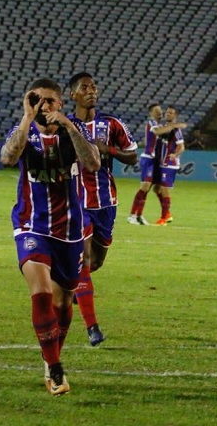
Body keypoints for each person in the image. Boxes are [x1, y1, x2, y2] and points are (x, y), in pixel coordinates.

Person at [0, 78, 100, 396]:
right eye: (38, 100)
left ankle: (49, 359)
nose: (45, 105)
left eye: (51, 101)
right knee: (41, 291)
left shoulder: (74, 134)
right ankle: (56, 369)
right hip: (31, 225)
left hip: (69, 231)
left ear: (60, 104)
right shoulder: (25, 132)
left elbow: (93, 163)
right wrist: (27, 117)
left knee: (62, 302)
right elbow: (6, 157)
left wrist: (69, 124)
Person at [67, 72, 138, 347]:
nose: (91, 91)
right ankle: (92, 327)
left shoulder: (112, 124)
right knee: (83, 260)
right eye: (84, 87)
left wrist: (108, 150)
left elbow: (132, 156)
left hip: (106, 201)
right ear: (72, 95)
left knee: (95, 262)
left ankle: (73, 284)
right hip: (77, 200)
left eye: (94, 87)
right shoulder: (66, 125)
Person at [127, 104, 186, 225]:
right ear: (151, 113)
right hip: (149, 158)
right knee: (146, 186)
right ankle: (133, 215)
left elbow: (176, 142)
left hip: (157, 161)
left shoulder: (164, 126)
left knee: (154, 188)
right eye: (157, 111)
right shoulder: (152, 123)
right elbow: (157, 132)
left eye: (161, 111)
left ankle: (141, 215)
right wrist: (175, 125)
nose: (160, 113)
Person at [152, 106, 185, 226]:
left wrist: (174, 155)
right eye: (167, 112)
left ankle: (164, 218)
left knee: (164, 189)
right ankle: (167, 214)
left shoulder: (176, 130)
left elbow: (182, 147)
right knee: (156, 188)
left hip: (169, 164)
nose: (168, 114)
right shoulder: (164, 128)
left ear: (175, 116)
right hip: (161, 163)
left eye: (171, 113)